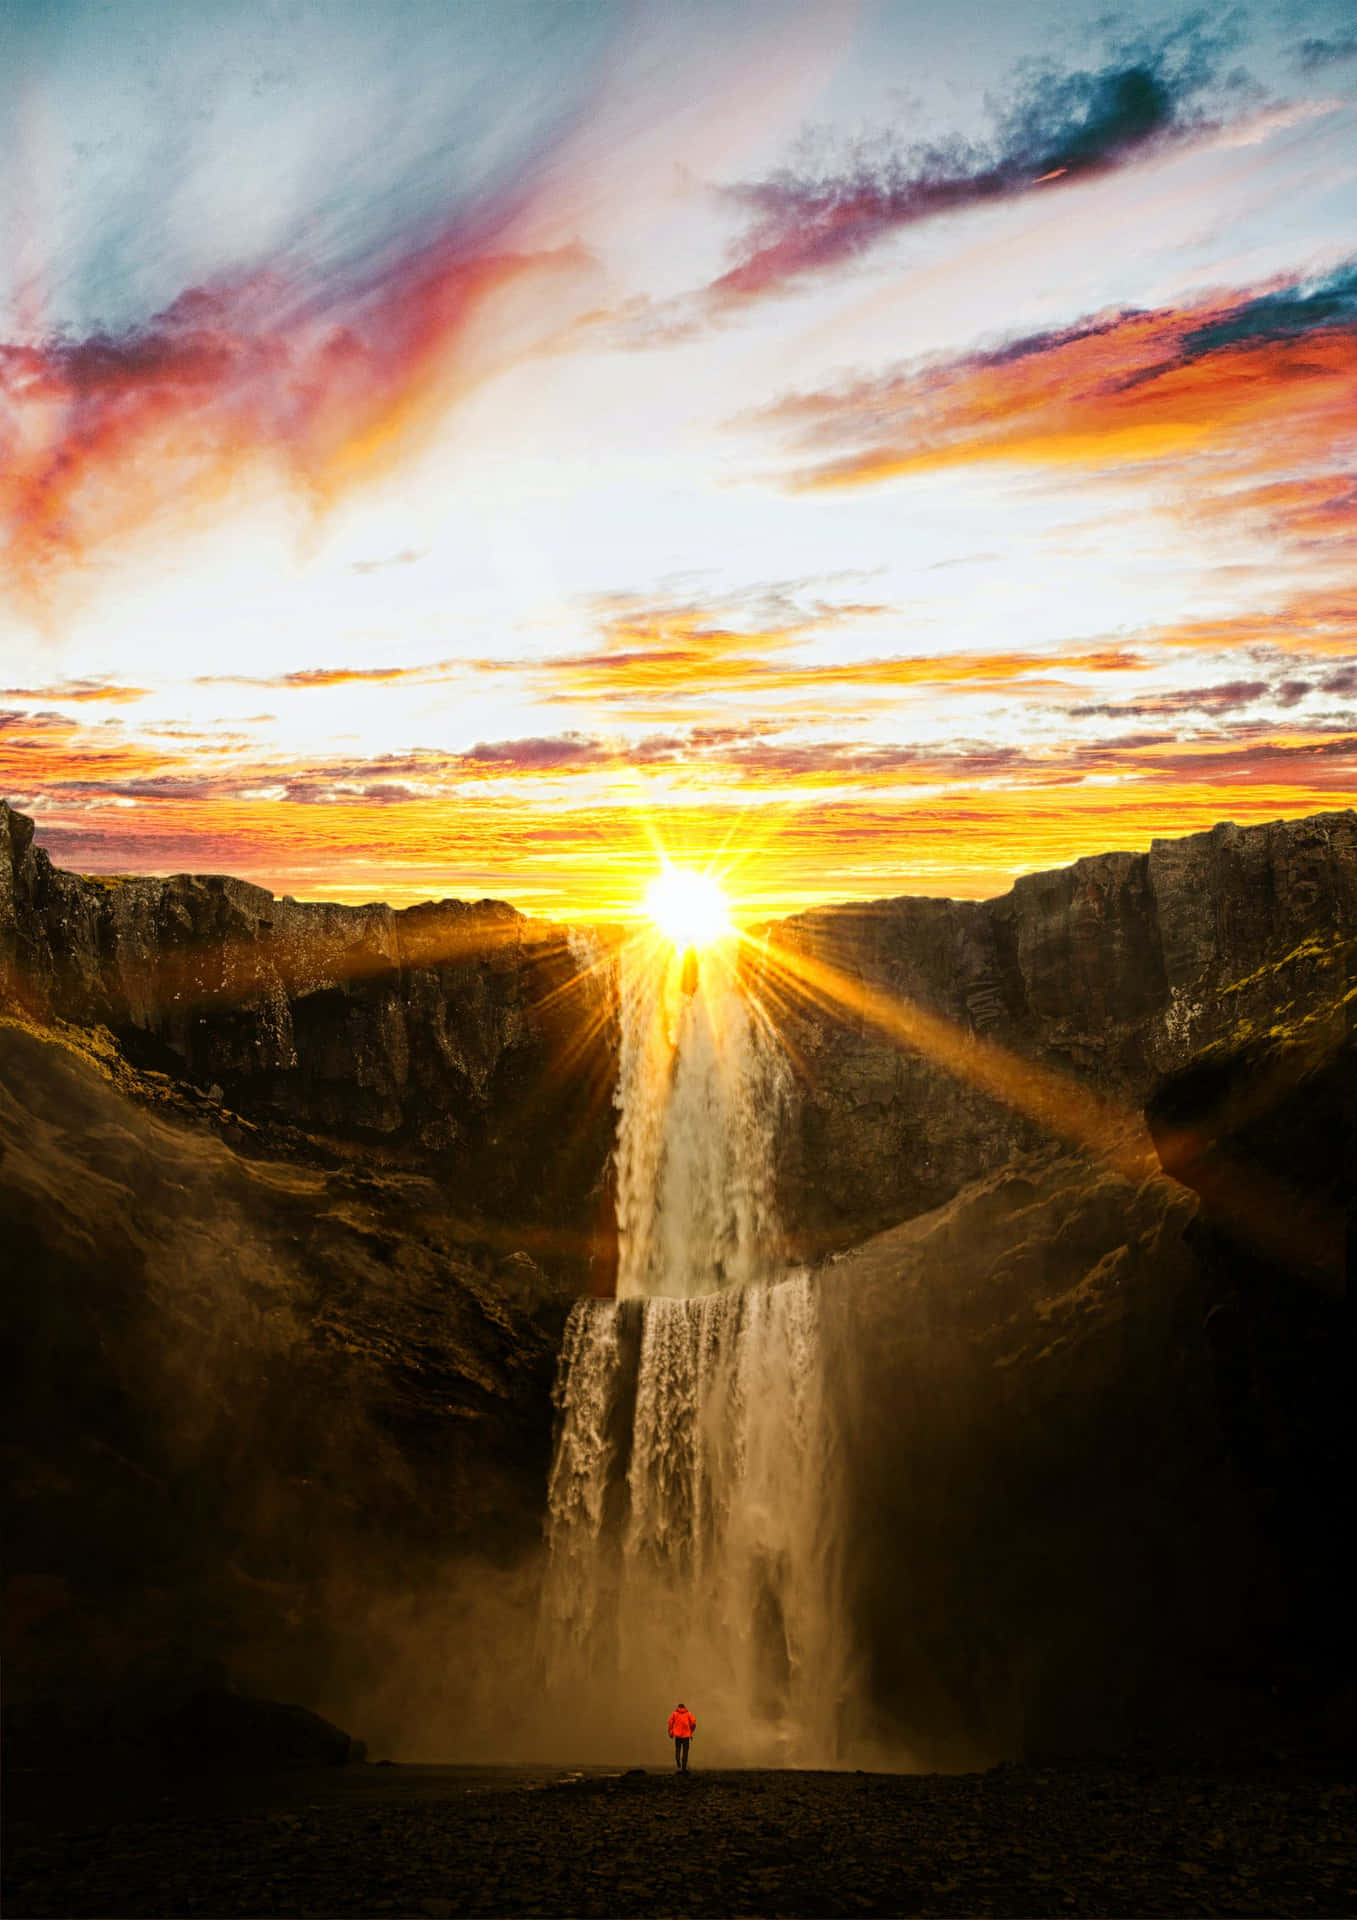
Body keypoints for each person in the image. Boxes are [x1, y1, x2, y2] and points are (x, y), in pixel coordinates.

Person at [667, 1701, 696, 1771]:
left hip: (677, 1735)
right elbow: (693, 1723)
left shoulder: (674, 1714)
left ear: (678, 1707)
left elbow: (670, 1723)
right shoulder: (689, 1714)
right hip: (686, 1736)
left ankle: (678, 1761)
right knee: (685, 1751)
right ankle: (684, 1767)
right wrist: (690, 1731)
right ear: (684, 1708)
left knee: (678, 1749)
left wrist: (671, 1733)